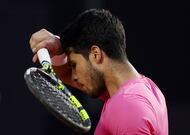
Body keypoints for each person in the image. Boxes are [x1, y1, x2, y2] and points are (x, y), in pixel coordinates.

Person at [29, 8, 168, 135]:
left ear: (95, 54)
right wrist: (59, 47)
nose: (74, 76)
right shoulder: (145, 89)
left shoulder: (126, 106)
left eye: (74, 65)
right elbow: (65, 74)